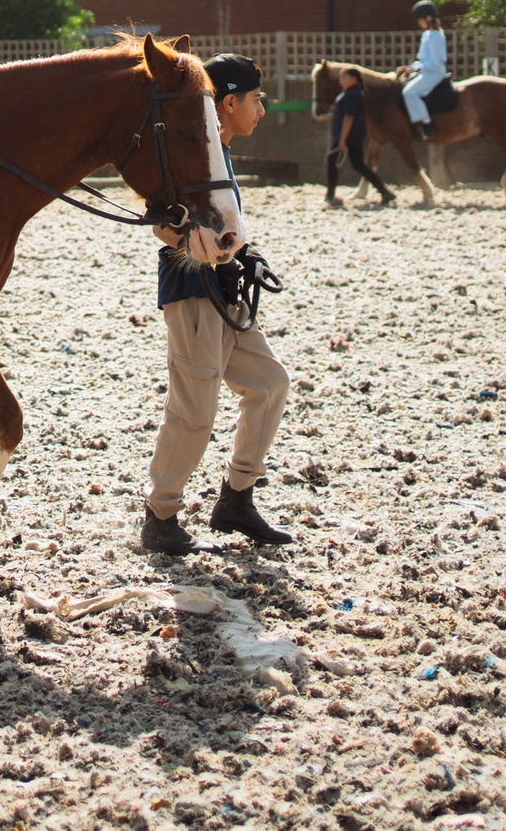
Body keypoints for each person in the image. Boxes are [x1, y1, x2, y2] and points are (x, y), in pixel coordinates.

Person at [141, 52, 293, 555]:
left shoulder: (218, 153)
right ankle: (160, 515)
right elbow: (161, 224)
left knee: (269, 385)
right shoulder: (189, 154)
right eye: (256, 100)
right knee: (195, 411)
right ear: (229, 103)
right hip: (192, 291)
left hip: (228, 289)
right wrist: (191, 243)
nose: (262, 110)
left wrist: (245, 254)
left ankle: (237, 499)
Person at [323, 66, 391, 207]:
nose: (341, 80)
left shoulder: (353, 94)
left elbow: (349, 117)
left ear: (353, 78)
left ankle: (330, 195)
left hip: (349, 134)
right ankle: (385, 192)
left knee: (332, 160)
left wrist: (342, 139)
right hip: (349, 134)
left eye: (344, 77)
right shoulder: (350, 92)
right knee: (358, 164)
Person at [399, 0, 450, 138]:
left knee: (409, 92)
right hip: (426, 71)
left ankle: (427, 124)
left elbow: (433, 63)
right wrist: (410, 67)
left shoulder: (435, 36)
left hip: (434, 72)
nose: (418, 23)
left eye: (420, 20)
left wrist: (416, 69)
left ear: (429, 18)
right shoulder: (427, 34)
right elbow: (422, 60)